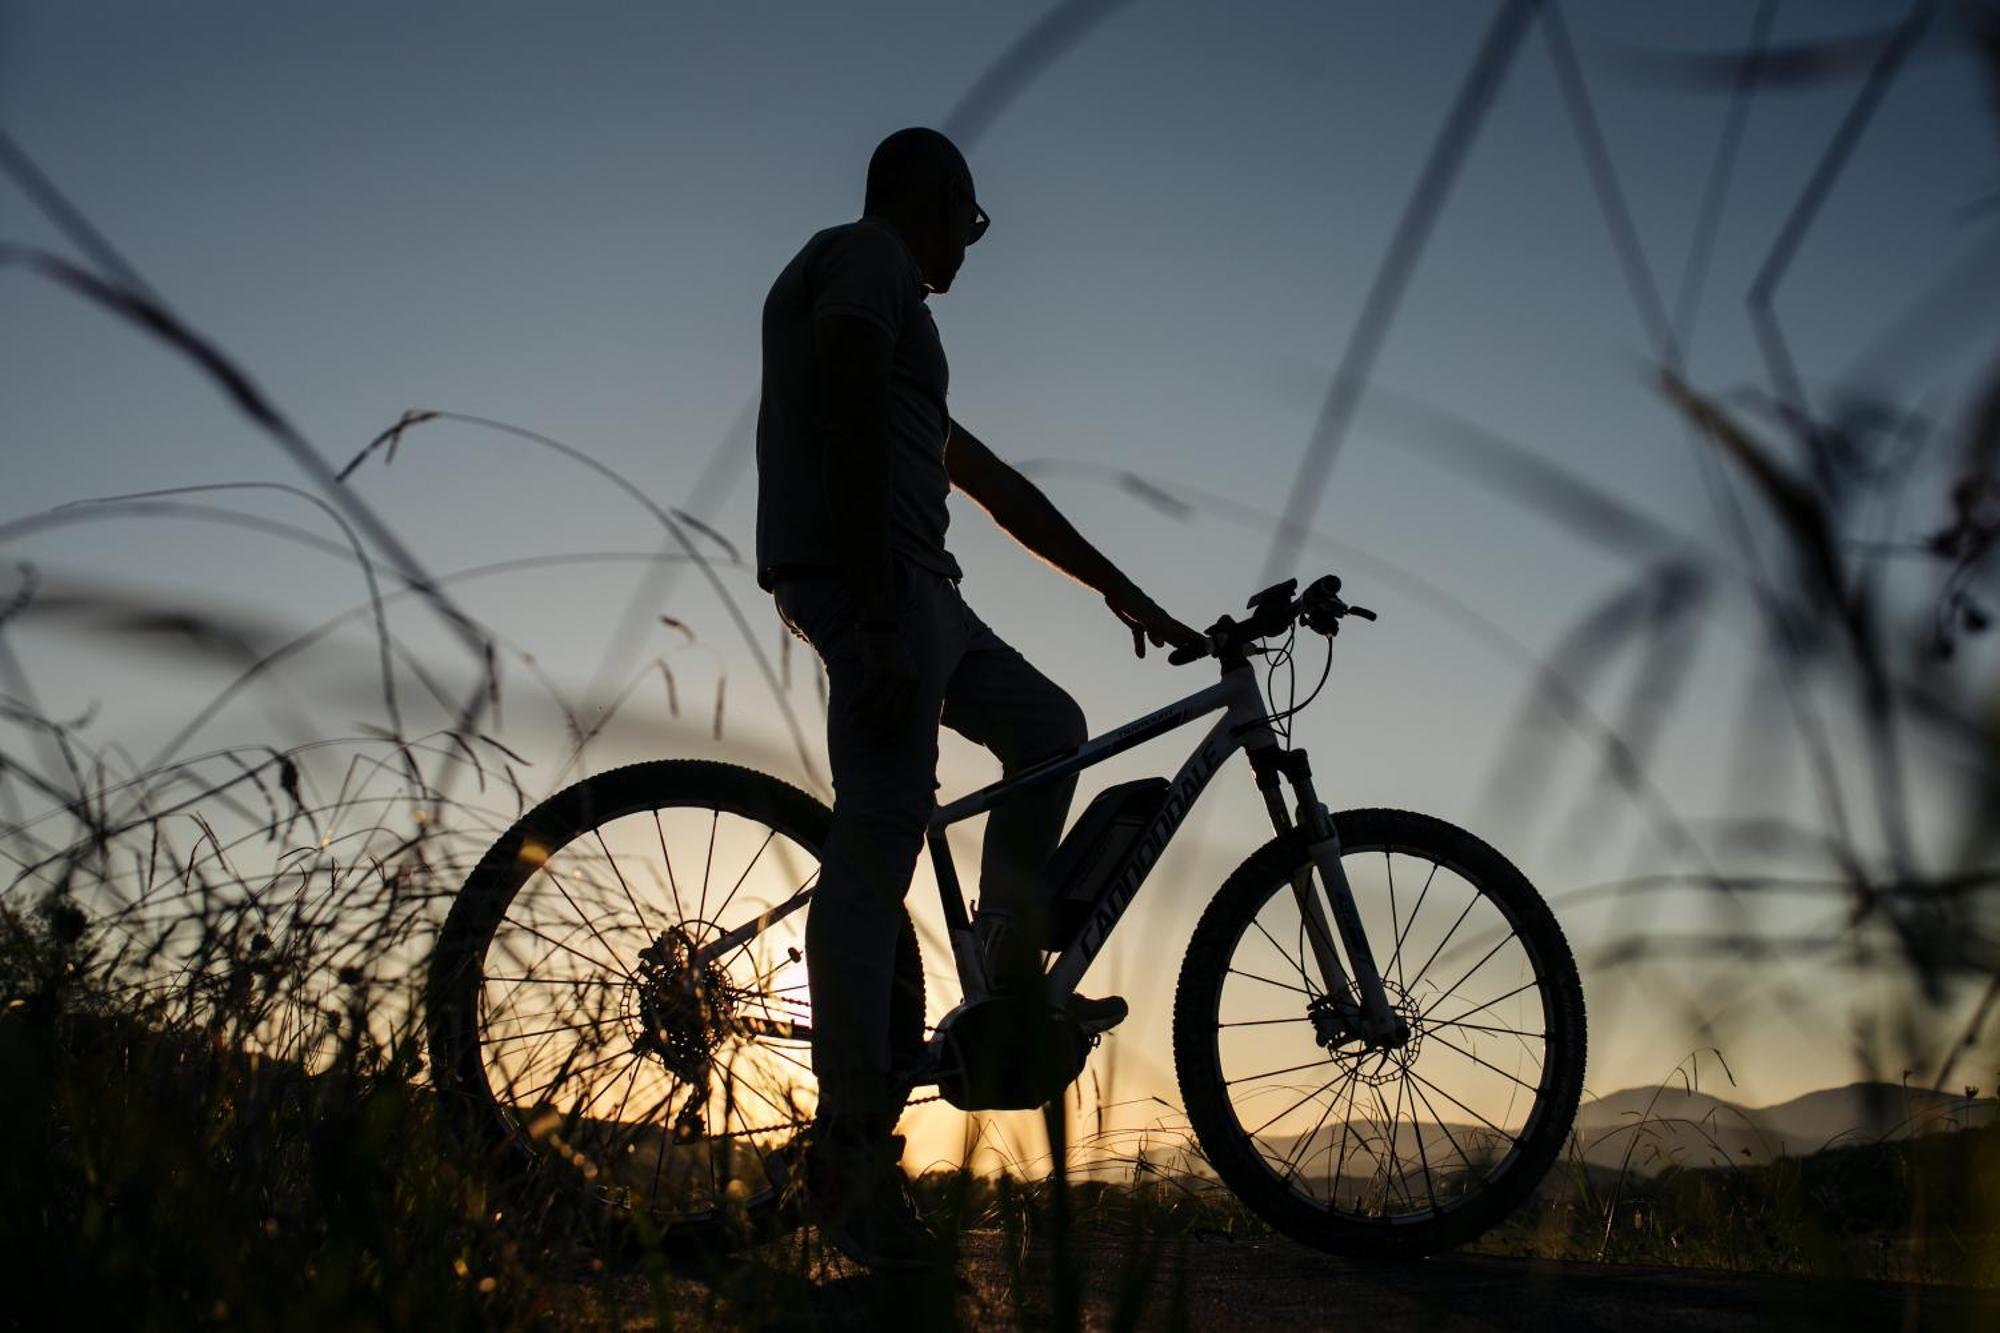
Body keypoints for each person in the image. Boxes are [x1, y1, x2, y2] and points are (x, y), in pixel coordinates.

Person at [755, 126, 1200, 1270]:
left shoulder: (908, 321)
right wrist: (863, 611)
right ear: (934, 199)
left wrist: (1120, 588)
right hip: (883, 585)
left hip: (927, 592)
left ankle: (1002, 974)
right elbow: (846, 401)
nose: (973, 243)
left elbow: (987, 481)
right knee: (878, 842)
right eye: (971, 219)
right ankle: (848, 1153)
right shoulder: (863, 259)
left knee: (1048, 730)